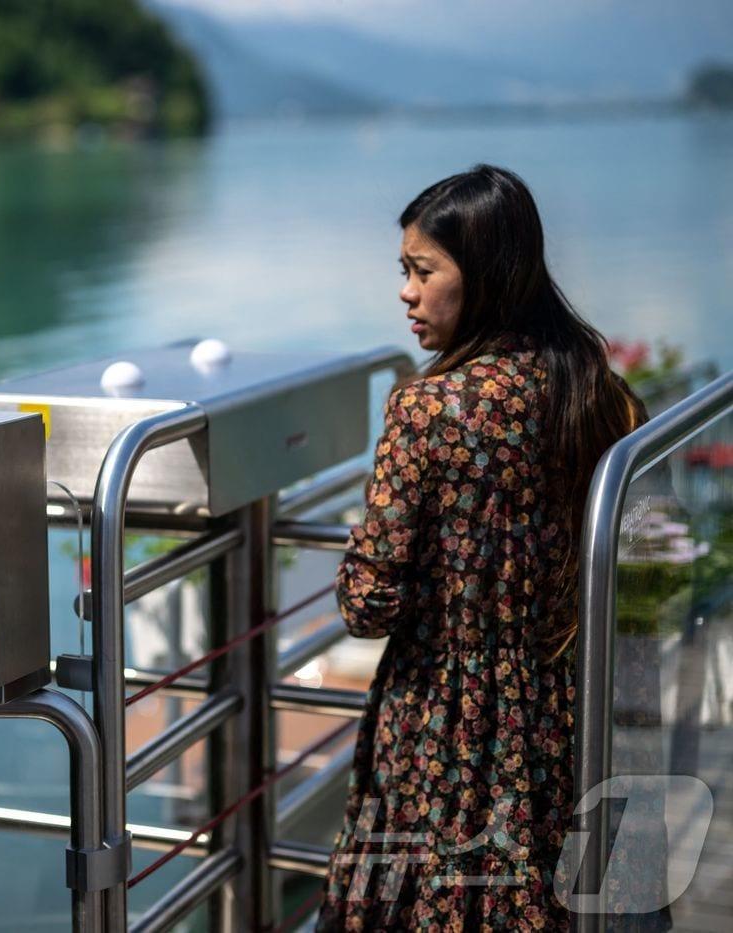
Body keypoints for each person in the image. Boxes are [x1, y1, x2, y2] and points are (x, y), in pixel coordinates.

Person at [317, 165, 646, 930]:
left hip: (446, 718)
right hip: (553, 704)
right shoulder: (582, 379)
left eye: (423, 270)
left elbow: (366, 604)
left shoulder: (427, 407)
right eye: (404, 270)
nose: (406, 291)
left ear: (485, 276)